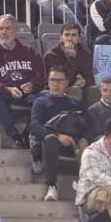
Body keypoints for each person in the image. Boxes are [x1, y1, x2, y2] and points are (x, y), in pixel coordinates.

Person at [0, 14, 45, 147]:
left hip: (29, 94)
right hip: (7, 94)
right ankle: (14, 134)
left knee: (47, 96)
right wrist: (7, 89)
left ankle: (28, 132)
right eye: (0, 29)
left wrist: (32, 84)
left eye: (7, 28)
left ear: (15, 31)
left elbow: (41, 76)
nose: (3, 32)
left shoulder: (29, 52)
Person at [29, 65, 87, 202]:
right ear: (48, 82)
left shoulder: (76, 103)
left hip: (74, 144)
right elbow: (35, 127)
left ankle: (86, 187)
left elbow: (87, 126)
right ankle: (51, 186)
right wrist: (58, 136)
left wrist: (84, 139)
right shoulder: (41, 102)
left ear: (67, 82)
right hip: (51, 144)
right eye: (52, 80)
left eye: (60, 80)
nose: (55, 84)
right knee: (50, 139)